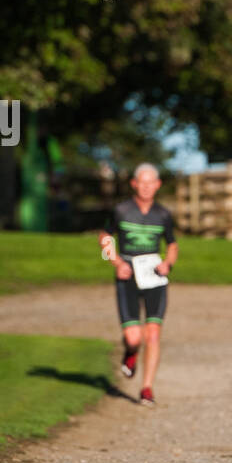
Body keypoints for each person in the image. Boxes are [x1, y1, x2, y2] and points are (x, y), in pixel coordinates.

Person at [100, 163, 179, 406]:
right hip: (128, 277)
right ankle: (131, 353)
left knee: (153, 334)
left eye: (150, 183)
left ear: (157, 185)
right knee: (134, 338)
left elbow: (172, 244)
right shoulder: (121, 210)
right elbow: (104, 236)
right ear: (134, 184)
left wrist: (168, 263)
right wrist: (115, 261)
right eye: (141, 183)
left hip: (154, 276)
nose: (146, 188)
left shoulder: (163, 214)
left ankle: (147, 388)